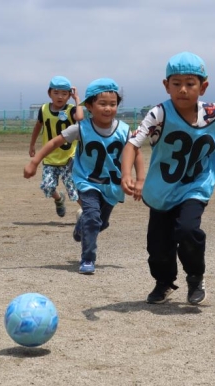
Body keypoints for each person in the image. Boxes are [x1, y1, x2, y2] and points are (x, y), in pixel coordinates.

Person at [121, 52, 215, 305]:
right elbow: (132, 144)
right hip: (162, 190)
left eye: (190, 83)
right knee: (158, 247)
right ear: (166, 85)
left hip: (196, 185)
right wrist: (127, 174)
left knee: (187, 230)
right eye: (176, 83)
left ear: (203, 87)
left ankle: (195, 278)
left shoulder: (213, 112)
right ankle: (164, 282)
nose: (183, 89)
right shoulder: (159, 113)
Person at [25, 78, 144, 275]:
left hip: (112, 185)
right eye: (102, 104)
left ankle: (82, 226)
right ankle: (88, 258)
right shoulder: (81, 128)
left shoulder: (123, 130)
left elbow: (136, 153)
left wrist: (139, 179)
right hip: (86, 181)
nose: (108, 108)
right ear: (89, 106)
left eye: (113, 104)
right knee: (93, 218)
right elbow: (54, 142)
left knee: (100, 222)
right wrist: (34, 161)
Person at [28, 76, 84, 218]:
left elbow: (80, 118)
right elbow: (38, 127)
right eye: (56, 93)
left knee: (73, 188)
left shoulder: (71, 109)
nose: (60, 97)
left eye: (64, 94)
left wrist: (77, 100)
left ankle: (91, 213)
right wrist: (32, 144)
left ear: (69, 95)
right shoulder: (44, 109)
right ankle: (59, 199)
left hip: (69, 157)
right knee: (47, 186)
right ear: (49, 93)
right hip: (50, 157)